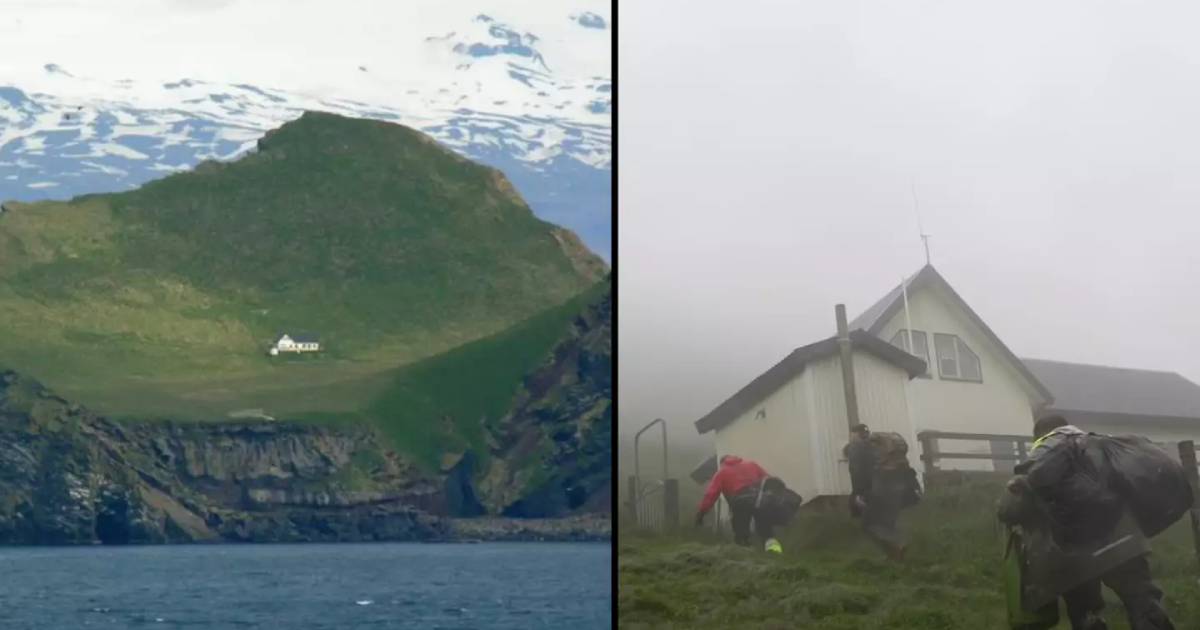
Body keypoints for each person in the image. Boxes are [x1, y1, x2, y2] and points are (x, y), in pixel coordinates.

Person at [998, 415, 1176, 630]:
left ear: (1040, 435)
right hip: (1123, 541)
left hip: (1072, 553)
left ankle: (1090, 621)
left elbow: (1011, 509)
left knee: (1085, 613)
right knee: (1144, 603)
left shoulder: (1042, 453)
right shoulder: (1104, 446)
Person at [843, 423, 920, 561]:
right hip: (900, 485)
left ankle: (899, 543)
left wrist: (859, 495)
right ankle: (895, 557)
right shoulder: (882, 446)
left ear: (854, 434)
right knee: (886, 523)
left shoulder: (856, 446)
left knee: (868, 524)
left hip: (882, 486)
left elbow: (858, 473)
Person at [694, 455, 791, 553]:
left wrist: (701, 513)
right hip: (759, 499)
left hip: (740, 502)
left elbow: (711, 495)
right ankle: (774, 553)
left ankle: (746, 557)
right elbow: (770, 481)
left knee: (742, 533)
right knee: (766, 532)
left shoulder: (721, 472)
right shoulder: (752, 465)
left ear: (722, 463)